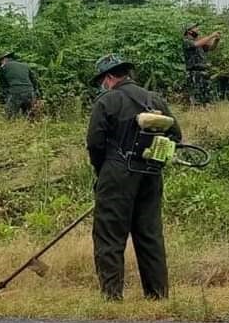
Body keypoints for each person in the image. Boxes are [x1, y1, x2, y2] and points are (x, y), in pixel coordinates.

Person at [86, 54, 181, 301]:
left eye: (102, 80)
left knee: (109, 235)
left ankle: (112, 296)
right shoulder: (154, 99)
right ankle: (158, 295)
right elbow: (176, 136)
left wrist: (102, 171)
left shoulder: (107, 100)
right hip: (151, 173)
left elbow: (95, 143)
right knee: (149, 234)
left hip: (116, 173)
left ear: (109, 77)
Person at [183, 22, 221, 105]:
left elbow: (211, 48)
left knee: (207, 96)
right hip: (194, 73)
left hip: (203, 72)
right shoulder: (186, 41)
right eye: (195, 28)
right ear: (189, 31)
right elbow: (196, 44)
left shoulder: (198, 41)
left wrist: (216, 40)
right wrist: (212, 35)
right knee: (196, 96)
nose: (197, 29)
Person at [0, 51, 40, 119]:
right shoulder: (25, 65)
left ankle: (9, 128)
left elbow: (4, 86)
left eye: (1, 62)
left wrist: (5, 97)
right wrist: (35, 92)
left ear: (4, 60)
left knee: (8, 116)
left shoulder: (4, 67)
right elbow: (34, 80)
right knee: (30, 116)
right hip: (29, 92)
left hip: (15, 92)